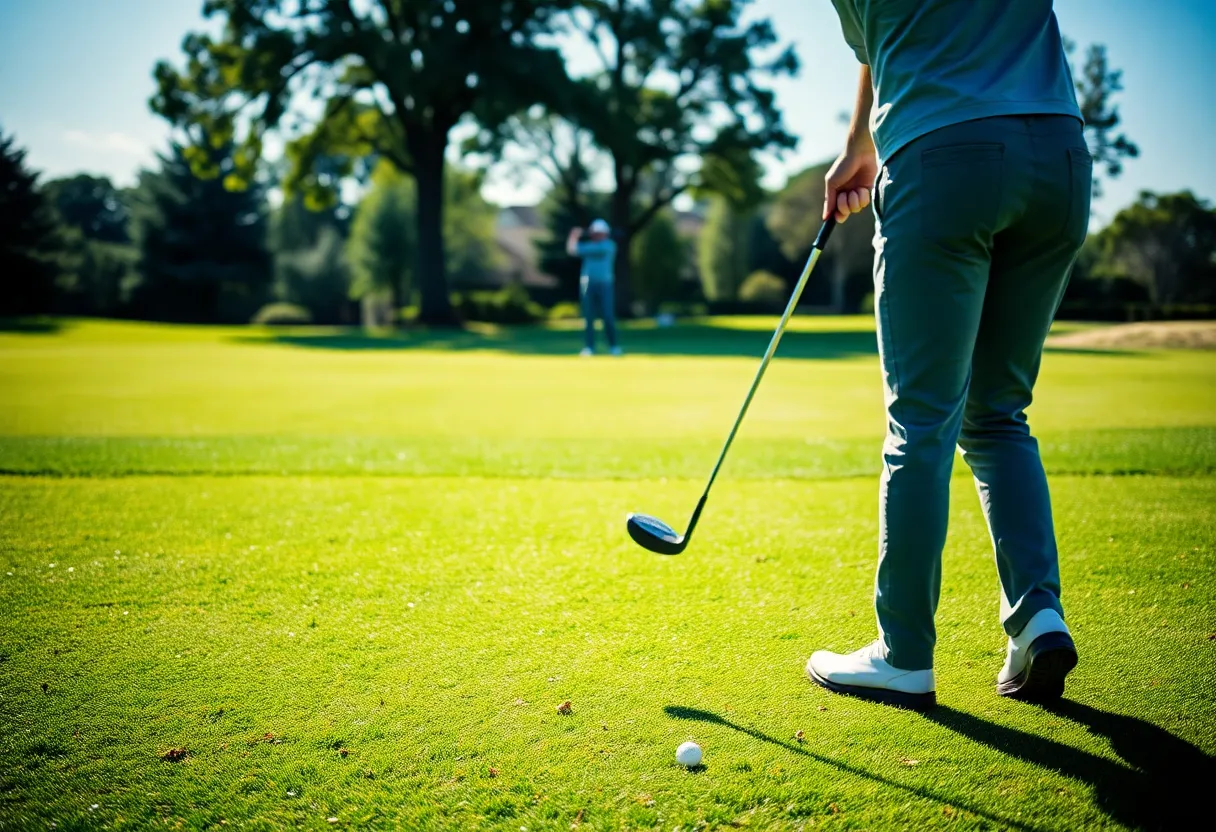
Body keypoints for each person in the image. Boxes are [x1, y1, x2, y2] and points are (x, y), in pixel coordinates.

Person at [806, 0, 1091, 710]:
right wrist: (859, 145)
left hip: (942, 154)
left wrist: (861, 141)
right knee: (998, 414)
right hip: (1059, 151)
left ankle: (903, 655)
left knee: (922, 421)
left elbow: (878, 41)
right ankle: (1037, 615)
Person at [567, 219, 622, 356]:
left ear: (605, 233)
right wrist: (573, 236)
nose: (597, 236)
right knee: (588, 318)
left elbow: (577, 249)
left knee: (608, 316)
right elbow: (571, 250)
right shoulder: (589, 246)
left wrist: (577, 238)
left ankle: (613, 346)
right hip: (587, 284)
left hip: (605, 284)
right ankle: (589, 347)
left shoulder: (608, 246)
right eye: (595, 233)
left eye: (600, 233)